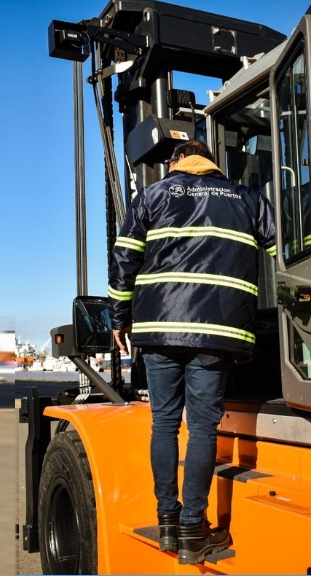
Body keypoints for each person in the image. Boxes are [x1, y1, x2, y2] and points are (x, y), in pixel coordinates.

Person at [109, 140, 276, 565]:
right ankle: (192, 529)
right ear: (209, 162)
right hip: (216, 330)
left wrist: (118, 318)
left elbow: (124, 259)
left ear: (176, 161)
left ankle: (167, 521)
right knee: (202, 430)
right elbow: (286, 250)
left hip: (159, 329)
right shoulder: (247, 198)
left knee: (164, 424)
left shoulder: (151, 195)